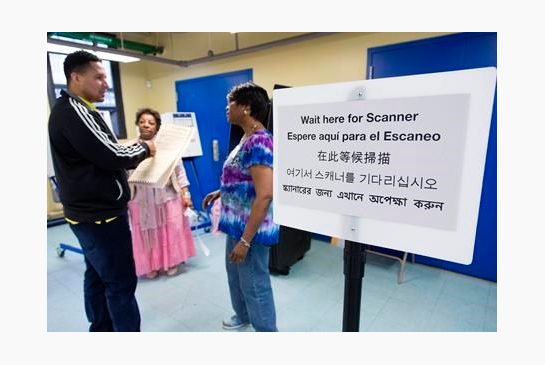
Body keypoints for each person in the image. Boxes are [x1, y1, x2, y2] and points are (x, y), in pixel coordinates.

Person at [48, 50, 156, 332]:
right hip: (100, 218)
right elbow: (113, 155)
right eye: (98, 77)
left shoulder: (74, 109)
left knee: (97, 274)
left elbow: (101, 155)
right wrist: (145, 147)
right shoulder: (75, 111)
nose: (105, 84)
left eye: (106, 77)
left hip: (88, 214)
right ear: (76, 77)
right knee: (120, 283)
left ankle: (100, 329)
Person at [202, 82, 279, 332]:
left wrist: (246, 241)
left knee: (254, 282)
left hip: (251, 229)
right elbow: (243, 177)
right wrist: (219, 192)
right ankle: (243, 314)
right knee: (235, 274)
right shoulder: (245, 138)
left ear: (245, 108)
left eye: (230, 104)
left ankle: (267, 332)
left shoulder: (259, 142)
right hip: (237, 222)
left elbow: (265, 195)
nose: (226, 108)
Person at [127, 108, 196, 279]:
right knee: (145, 233)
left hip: (166, 195)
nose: (146, 125)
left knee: (170, 228)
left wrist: (186, 195)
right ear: (137, 124)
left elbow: (180, 172)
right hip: (140, 198)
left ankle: (171, 261)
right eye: (142, 121)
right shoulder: (129, 147)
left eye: (151, 122)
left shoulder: (168, 147)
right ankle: (150, 264)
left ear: (157, 126)